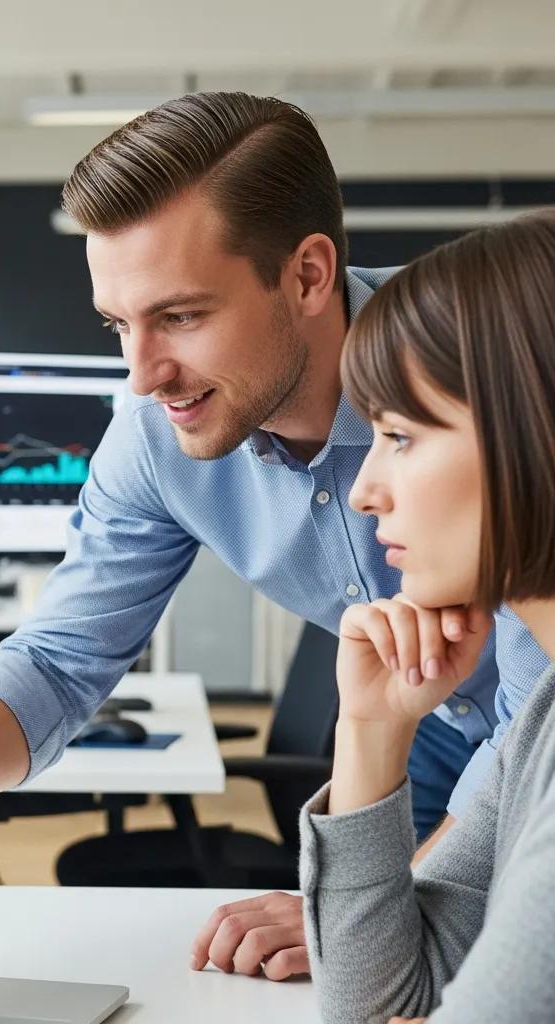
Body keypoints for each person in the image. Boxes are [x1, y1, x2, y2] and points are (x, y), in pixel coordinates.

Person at [0, 92, 546, 979]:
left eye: (180, 317)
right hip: (418, 734)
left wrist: (376, 900)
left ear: (306, 275)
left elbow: (534, 713)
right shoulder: (153, 434)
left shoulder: (481, 371)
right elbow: (62, 661)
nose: (141, 376)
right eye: (118, 325)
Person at [301, 210, 555, 1023]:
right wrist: (371, 730)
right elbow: (378, 1004)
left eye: (400, 436)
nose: (366, 490)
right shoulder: (541, 721)